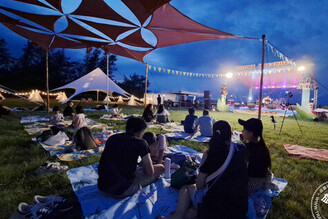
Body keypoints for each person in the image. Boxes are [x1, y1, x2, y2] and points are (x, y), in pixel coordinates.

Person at [159, 121, 248, 219]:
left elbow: (199, 185)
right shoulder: (241, 149)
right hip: (238, 207)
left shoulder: (210, 154)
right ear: (231, 134)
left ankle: (178, 215)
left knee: (187, 188)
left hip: (215, 205)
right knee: (192, 212)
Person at [98, 117, 164, 199]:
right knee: (160, 168)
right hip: (122, 190)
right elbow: (150, 172)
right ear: (140, 131)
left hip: (102, 186)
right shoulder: (141, 143)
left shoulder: (112, 138)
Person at [238, 118, 271, 194]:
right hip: (259, 183)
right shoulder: (262, 147)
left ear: (251, 133)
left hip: (248, 186)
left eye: (244, 129)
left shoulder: (245, 148)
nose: (242, 131)